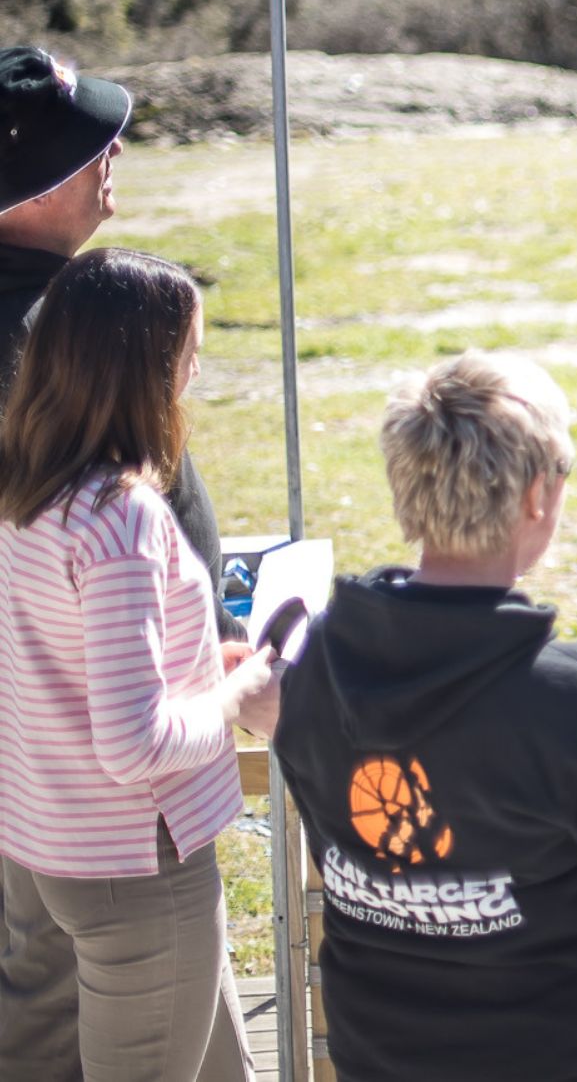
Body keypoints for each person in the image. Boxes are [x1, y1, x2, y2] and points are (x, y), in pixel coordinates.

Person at [271, 351, 577, 1082]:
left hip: (378, 1050)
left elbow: (338, 852)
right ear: (537, 493)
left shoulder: (318, 667)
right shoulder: (576, 702)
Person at [0, 248, 281, 1082]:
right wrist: (233, 691)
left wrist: (194, 653)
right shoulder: (126, 518)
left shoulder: (30, 491)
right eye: (189, 350)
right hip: (141, 865)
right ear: (146, 368)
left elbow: (60, 659)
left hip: (55, 847)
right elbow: (135, 741)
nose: (197, 368)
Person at [0, 46, 232, 630]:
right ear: (38, 191)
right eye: (90, 146)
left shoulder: (45, 300)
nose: (116, 149)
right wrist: (220, 644)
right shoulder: (33, 330)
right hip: (123, 654)